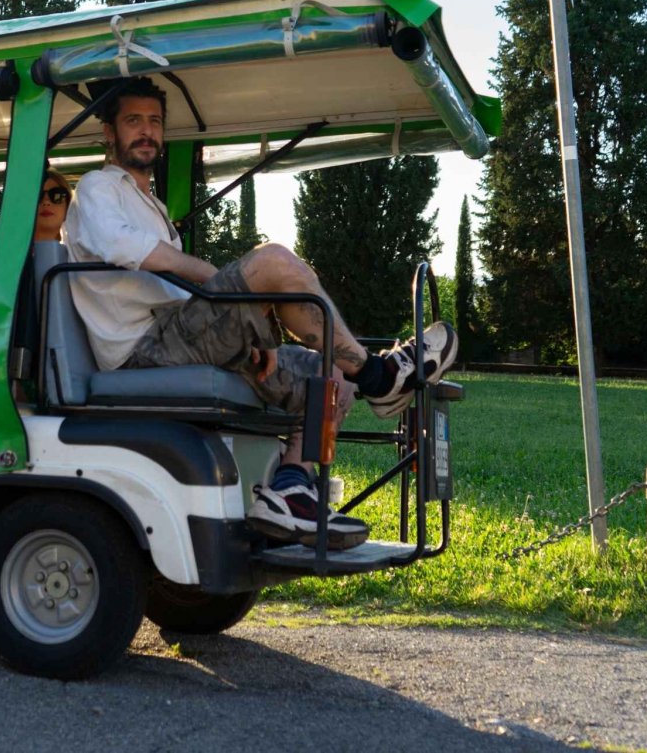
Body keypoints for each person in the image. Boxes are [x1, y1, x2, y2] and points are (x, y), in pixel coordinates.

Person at [64, 77, 456, 544]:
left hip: (180, 335)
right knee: (271, 261)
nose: (146, 131)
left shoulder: (150, 203)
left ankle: (292, 485)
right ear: (109, 133)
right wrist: (211, 275)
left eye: (154, 121)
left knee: (330, 381)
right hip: (141, 348)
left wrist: (257, 338)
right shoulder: (95, 188)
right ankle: (380, 377)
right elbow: (122, 247)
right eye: (133, 121)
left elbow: (178, 296)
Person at [35, 167, 72, 242]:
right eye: (37, 196)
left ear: (68, 207)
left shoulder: (81, 253)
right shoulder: (7, 250)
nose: (46, 202)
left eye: (57, 194)